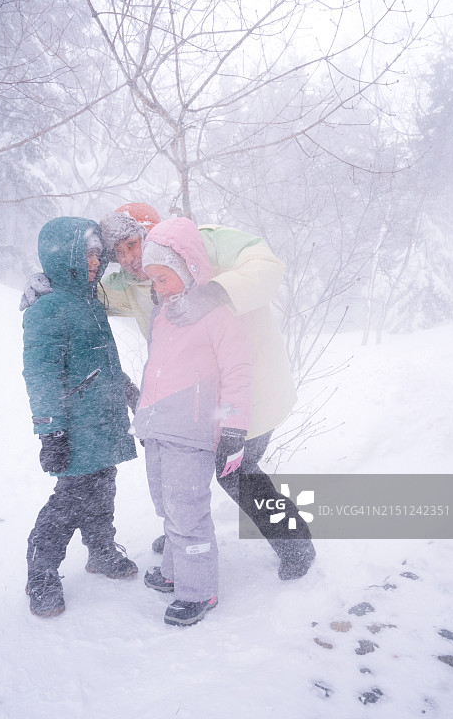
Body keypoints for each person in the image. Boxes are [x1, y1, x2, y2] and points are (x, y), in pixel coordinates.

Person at [20, 202, 315, 580]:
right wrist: (50, 284)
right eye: (119, 253)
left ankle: (294, 541)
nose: (129, 259)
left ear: (151, 230)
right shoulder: (134, 282)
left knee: (234, 472)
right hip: (199, 400)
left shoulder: (206, 243)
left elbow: (269, 268)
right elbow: (89, 293)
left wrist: (214, 294)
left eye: (133, 243)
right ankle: (183, 536)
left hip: (249, 388)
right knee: (184, 470)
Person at [132, 216, 252, 626]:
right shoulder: (162, 314)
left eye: (164, 277)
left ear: (188, 269)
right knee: (167, 505)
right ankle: (173, 571)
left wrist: (233, 430)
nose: (158, 287)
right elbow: (158, 368)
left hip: (192, 431)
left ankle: (199, 590)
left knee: (187, 511)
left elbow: (238, 372)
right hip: (158, 427)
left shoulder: (218, 315)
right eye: (154, 279)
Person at [22, 216, 138, 618]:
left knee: (104, 486)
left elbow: (101, 360)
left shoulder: (90, 301)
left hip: (103, 418)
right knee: (69, 502)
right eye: (86, 254)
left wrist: (129, 392)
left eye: (97, 254)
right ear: (65, 255)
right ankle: (40, 573)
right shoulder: (48, 308)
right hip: (75, 425)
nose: (94, 262)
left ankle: (101, 550)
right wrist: (51, 432)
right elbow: (41, 374)